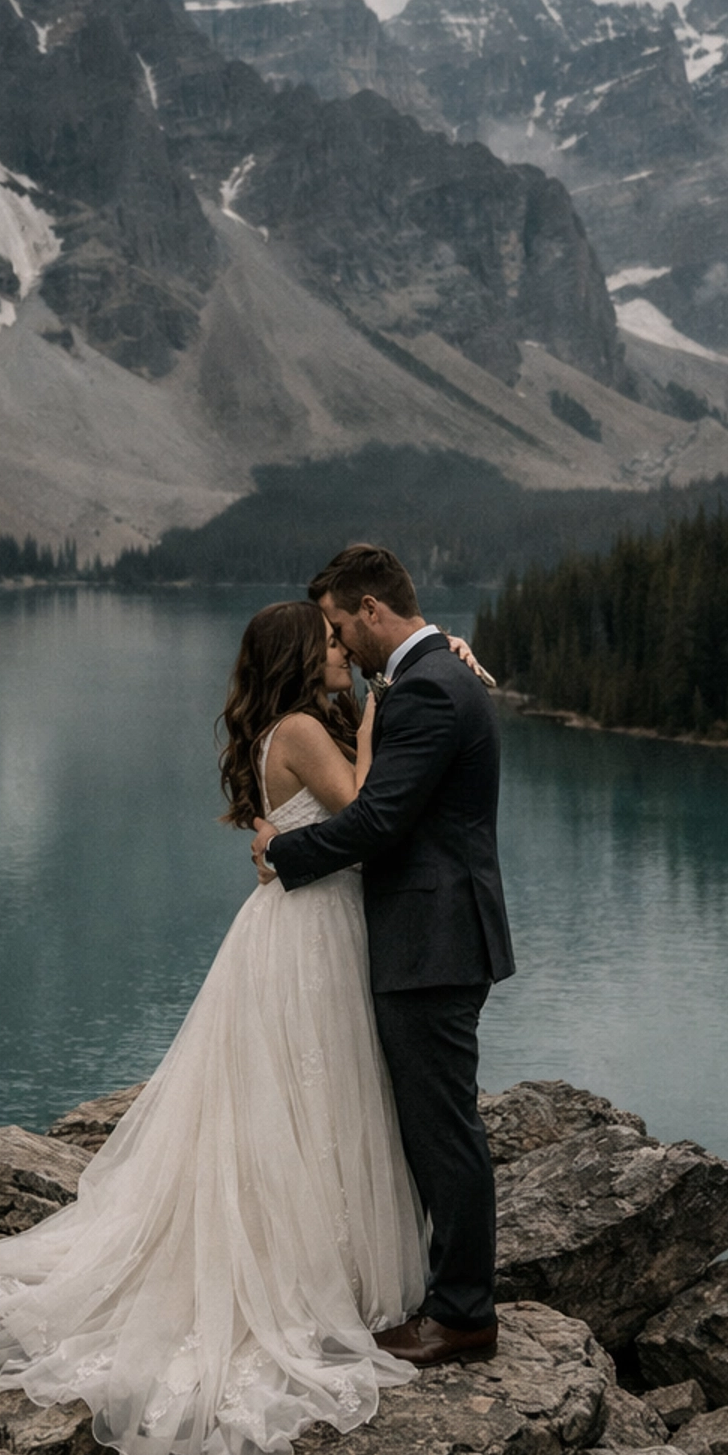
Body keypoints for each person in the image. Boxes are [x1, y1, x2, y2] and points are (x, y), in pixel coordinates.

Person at [0, 597, 442, 1455]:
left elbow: (306, 828)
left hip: (297, 924)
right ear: (296, 655)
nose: (341, 653)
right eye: (327, 644)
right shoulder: (308, 732)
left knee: (298, 1098)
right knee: (316, 1098)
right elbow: (365, 809)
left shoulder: (277, 728)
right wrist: (384, 710)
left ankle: (326, 1264)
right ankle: (318, 1274)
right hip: (314, 934)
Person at [252, 543, 514, 1368]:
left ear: (371, 610)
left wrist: (282, 856)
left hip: (433, 941)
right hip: (430, 936)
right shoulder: (430, 677)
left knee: (442, 1129)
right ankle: (445, 1298)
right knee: (433, 1123)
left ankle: (463, 1315)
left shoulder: (431, 688)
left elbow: (380, 821)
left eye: (337, 624)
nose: (336, 642)